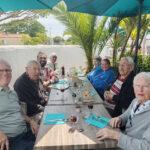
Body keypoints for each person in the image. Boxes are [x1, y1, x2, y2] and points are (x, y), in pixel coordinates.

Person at [96, 72, 150, 150]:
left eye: (145, 86)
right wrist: (120, 119)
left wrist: (116, 135)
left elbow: (146, 146)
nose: (140, 90)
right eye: (137, 85)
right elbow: (127, 115)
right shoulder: (136, 101)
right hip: (123, 139)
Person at [0, 60, 39, 150]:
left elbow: (21, 113)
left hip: (26, 132)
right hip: (11, 141)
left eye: (8, 70)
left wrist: (31, 121)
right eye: (1, 71)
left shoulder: (13, 93)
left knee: (50, 135)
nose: (5, 73)